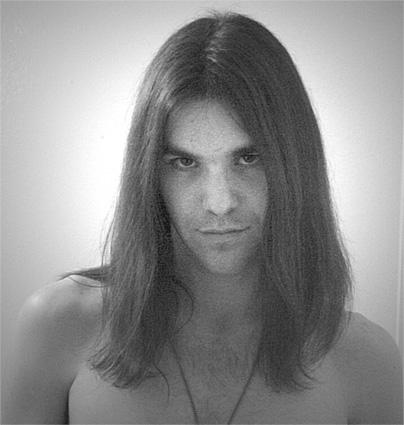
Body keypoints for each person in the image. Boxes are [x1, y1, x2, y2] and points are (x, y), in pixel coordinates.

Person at [4, 11, 402, 425]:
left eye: (249, 158)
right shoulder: (59, 326)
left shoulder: (366, 361)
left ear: (296, 164)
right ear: (149, 174)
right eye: (185, 162)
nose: (219, 203)